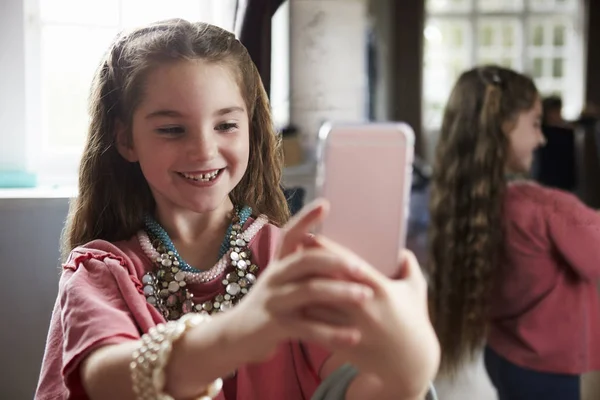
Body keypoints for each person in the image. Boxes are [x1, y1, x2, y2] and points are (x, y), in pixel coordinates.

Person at [35, 19, 439, 400]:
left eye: (226, 125)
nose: (204, 151)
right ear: (126, 140)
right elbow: (106, 379)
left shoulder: (295, 262)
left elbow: (359, 387)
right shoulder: (100, 271)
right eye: (172, 129)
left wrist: (411, 365)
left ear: (251, 127)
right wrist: (242, 331)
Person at [427, 65, 600, 400]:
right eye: (535, 124)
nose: (542, 137)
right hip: (547, 368)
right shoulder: (545, 208)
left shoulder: (468, 204)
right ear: (504, 127)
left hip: (503, 355)